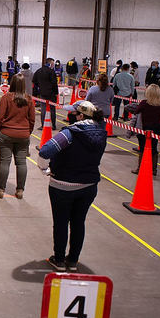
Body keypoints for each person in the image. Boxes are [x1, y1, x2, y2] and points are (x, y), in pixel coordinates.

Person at [37, 100, 107, 271]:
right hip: (89, 186)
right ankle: (73, 260)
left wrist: (45, 170)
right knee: (78, 222)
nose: (71, 116)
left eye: (74, 113)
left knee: (61, 223)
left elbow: (45, 151)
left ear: (81, 116)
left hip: (63, 185)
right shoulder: (101, 134)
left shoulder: (69, 134)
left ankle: (59, 259)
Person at [0, 73, 35, 199]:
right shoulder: (29, 100)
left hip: (6, 133)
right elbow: (32, 120)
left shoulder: (6, 98)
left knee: (4, 162)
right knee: (21, 163)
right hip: (23, 135)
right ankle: (20, 190)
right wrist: (27, 132)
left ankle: (1, 189)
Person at [132, 84, 160, 176]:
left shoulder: (144, 103)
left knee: (142, 147)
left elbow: (136, 112)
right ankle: (154, 169)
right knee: (154, 147)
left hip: (145, 127)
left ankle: (140, 168)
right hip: (157, 127)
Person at [33, 58, 59, 130]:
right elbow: (54, 83)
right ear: (50, 63)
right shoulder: (51, 72)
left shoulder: (38, 71)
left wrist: (39, 86)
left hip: (42, 92)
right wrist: (56, 92)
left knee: (43, 108)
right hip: (51, 93)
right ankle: (53, 125)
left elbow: (34, 80)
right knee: (52, 109)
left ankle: (43, 125)